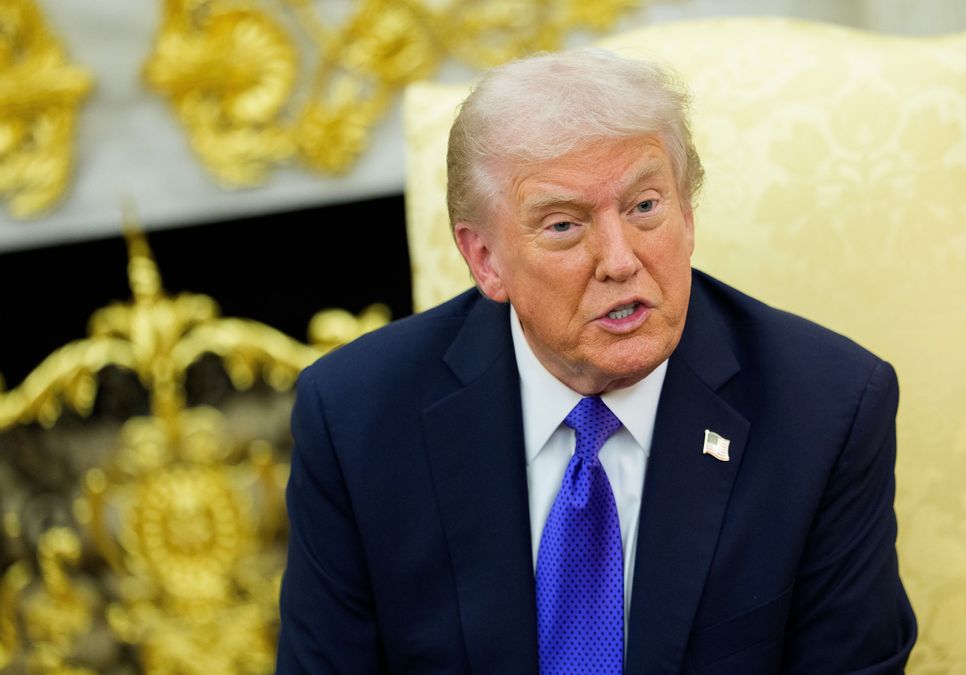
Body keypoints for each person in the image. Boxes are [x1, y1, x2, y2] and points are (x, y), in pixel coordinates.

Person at [276, 49, 916, 674]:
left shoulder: (826, 411)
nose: (619, 259)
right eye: (563, 225)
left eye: (644, 207)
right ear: (485, 260)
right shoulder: (356, 418)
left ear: (687, 215)